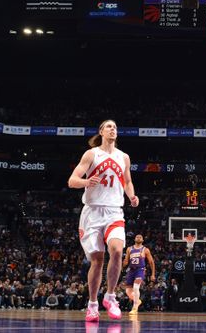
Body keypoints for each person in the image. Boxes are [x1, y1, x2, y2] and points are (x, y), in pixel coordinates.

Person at [68, 119, 139, 322]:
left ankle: (110, 296)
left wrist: (132, 196)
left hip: (114, 212)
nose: (113, 129)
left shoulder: (123, 157)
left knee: (117, 251)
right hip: (92, 212)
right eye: (109, 126)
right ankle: (92, 304)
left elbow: (127, 181)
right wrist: (86, 181)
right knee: (97, 261)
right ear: (101, 131)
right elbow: (72, 180)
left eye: (115, 127)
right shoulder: (92, 154)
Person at [123, 234, 155, 314]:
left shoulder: (145, 250)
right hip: (131, 270)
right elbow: (126, 261)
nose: (138, 238)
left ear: (143, 240)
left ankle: (135, 308)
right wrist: (122, 264)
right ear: (134, 239)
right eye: (137, 237)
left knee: (136, 287)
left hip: (140, 270)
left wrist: (153, 274)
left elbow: (151, 262)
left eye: (140, 237)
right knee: (128, 291)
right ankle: (137, 301)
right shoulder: (129, 249)